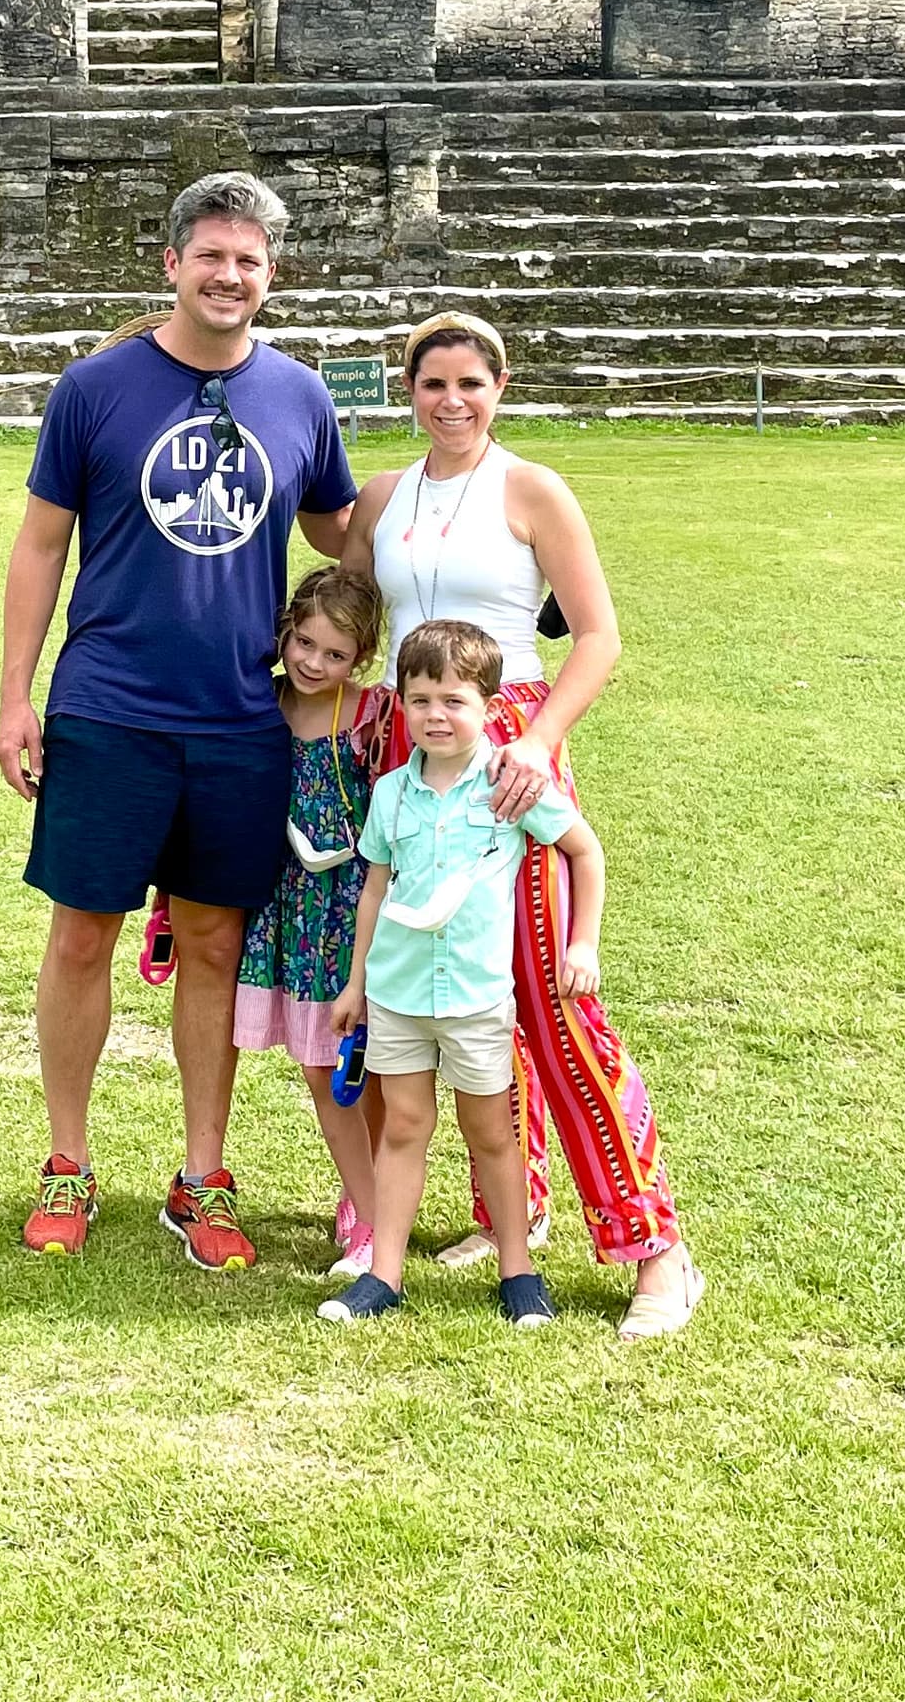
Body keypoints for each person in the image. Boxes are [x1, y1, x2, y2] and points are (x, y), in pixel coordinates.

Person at [0, 171, 358, 1270]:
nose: (230, 275)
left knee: (213, 945)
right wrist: (17, 694)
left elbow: (353, 533)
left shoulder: (300, 396)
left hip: (243, 718)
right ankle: (68, 1160)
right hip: (110, 706)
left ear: (272, 275)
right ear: (171, 263)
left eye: (249, 260)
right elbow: (39, 545)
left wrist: (491, 514)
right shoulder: (96, 387)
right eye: (211, 255)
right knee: (81, 935)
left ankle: (201, 1176)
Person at [342, 309, 703, 1339]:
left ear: (500, 388)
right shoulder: (385, 498)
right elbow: (354, 610)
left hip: (511, 751)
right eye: (432, 384)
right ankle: (517, 1207)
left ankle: (654, 1248)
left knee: (548, 999)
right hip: (413, 754)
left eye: (472, 383)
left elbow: (597, 635)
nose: (452, 401)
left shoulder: (533, 489)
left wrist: (538, 741)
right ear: (405, 390)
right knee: (453, 981)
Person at [318, 620, 601, 1329]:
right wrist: (356, 985)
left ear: (489, 705)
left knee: (493, 1135)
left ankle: (518, 1271)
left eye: (453, 700)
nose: (435, 716)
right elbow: (375, 891)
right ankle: (383, 1275)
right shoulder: (391, 795)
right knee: (404, 1127)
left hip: (475, 997)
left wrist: (583, 943)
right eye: (419, 700)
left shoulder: (509, 785)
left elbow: (584, 852)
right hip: (400, 993)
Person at [231, 563, 395, 1282]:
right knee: (322, 1068)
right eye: (304, 643)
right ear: (284, 632)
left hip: (352, 913)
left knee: (367, 1070)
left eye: (335, 655)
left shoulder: (372, 715)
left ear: (359, 659)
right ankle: (371, 1213)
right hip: (286, 910)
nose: (314, 663)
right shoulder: (260, 704)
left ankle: (372, 1216)